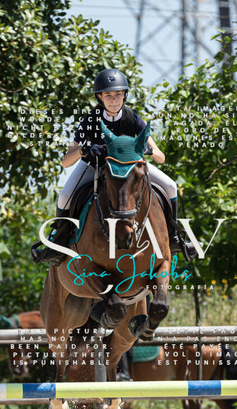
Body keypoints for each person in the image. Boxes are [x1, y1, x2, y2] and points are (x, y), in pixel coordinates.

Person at [31, 68, 196, 265]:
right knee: (65, 196)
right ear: (100, 97)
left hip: (129, 168)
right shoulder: (90, 120)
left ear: (125, 94)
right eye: (108, 95)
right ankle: (57, 244)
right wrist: (84, 150)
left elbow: (161, 157)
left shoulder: (133, 118)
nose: (113, 100)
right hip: (95, 166)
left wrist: (148, 150)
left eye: (118, 94)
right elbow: (66, 161)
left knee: (170, 186)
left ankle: (174, 237)